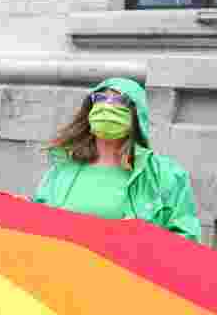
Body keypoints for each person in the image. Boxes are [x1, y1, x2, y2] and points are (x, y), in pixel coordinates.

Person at [33, 77, 201, 242]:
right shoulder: (62, 170)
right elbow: (37, 225)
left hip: (132, 268)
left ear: (136, 114)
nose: (108, 105)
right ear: (90, 109)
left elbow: (186, 241)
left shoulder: (165, 175)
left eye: (120, 100)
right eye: (100, 98)